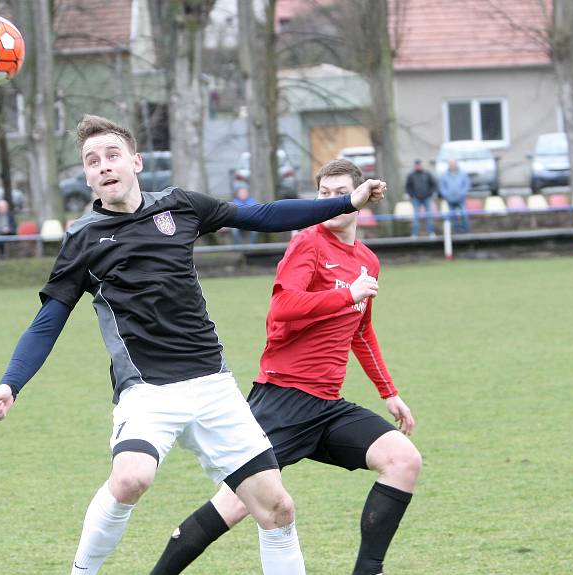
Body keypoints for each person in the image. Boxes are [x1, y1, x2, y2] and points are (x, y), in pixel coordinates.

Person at [0, 115, 386, 575]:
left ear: (135, 162)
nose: (103, 166)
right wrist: (11, 383)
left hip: (213, 386)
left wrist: (345, 203)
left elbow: (262, 215)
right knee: (132, 477)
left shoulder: (180, 206)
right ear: (88, 176)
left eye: (112, 155)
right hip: (148, 390)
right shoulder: (84, 238)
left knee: (277, 510)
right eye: (92, 161)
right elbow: (49, 319)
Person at [150, 159, 421, 575]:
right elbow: (283, 309)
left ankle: (368, 571)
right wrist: (345, 294)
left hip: (327, 408)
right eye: (324, 194)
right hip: (282, 400)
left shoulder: (367, 259)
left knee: (403, 460)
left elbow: (361, 332)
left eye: (339, 193)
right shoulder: (307, 243)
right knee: (235, 504)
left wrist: (389, 393)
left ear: (360, 197)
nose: (331, 201)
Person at [405, 159, 436, 238]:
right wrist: (412, 195)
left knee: (429, 216)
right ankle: (415, 234)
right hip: (416, 198)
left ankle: (431, 233)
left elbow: (433, 184)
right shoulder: (411, 175)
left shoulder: (427, 174)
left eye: (419, 165)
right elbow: (408, 187)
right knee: (416, 217)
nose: (418, 166)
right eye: (417, 165)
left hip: (427, 198)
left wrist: (430, 193)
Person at [438, 158, 470, 233]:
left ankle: (466, 231)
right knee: (452, 216)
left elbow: (466, 185)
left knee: (464, 214)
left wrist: (461, 194)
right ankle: (456, 231)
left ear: (456, 164)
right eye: (450, 164)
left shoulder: (463, 174)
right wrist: (447, 196)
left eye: (453, 164)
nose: (452, 166)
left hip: (461, 199)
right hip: (450, 199)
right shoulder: (444, 175)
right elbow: (442, 187)